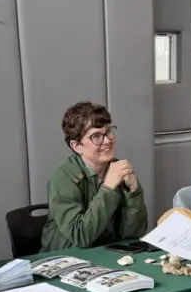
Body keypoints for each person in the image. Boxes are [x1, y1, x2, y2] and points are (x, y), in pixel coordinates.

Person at [41, 102, 148, 250]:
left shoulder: (118, 169)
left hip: (108, 256)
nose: (107, 141)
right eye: (96, 136)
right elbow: (81, 236)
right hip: (68, 260)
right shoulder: (64, 177)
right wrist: (108, 188)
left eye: (108, 132)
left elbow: (133, 234)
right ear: (77, 146)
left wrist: (133, 191)